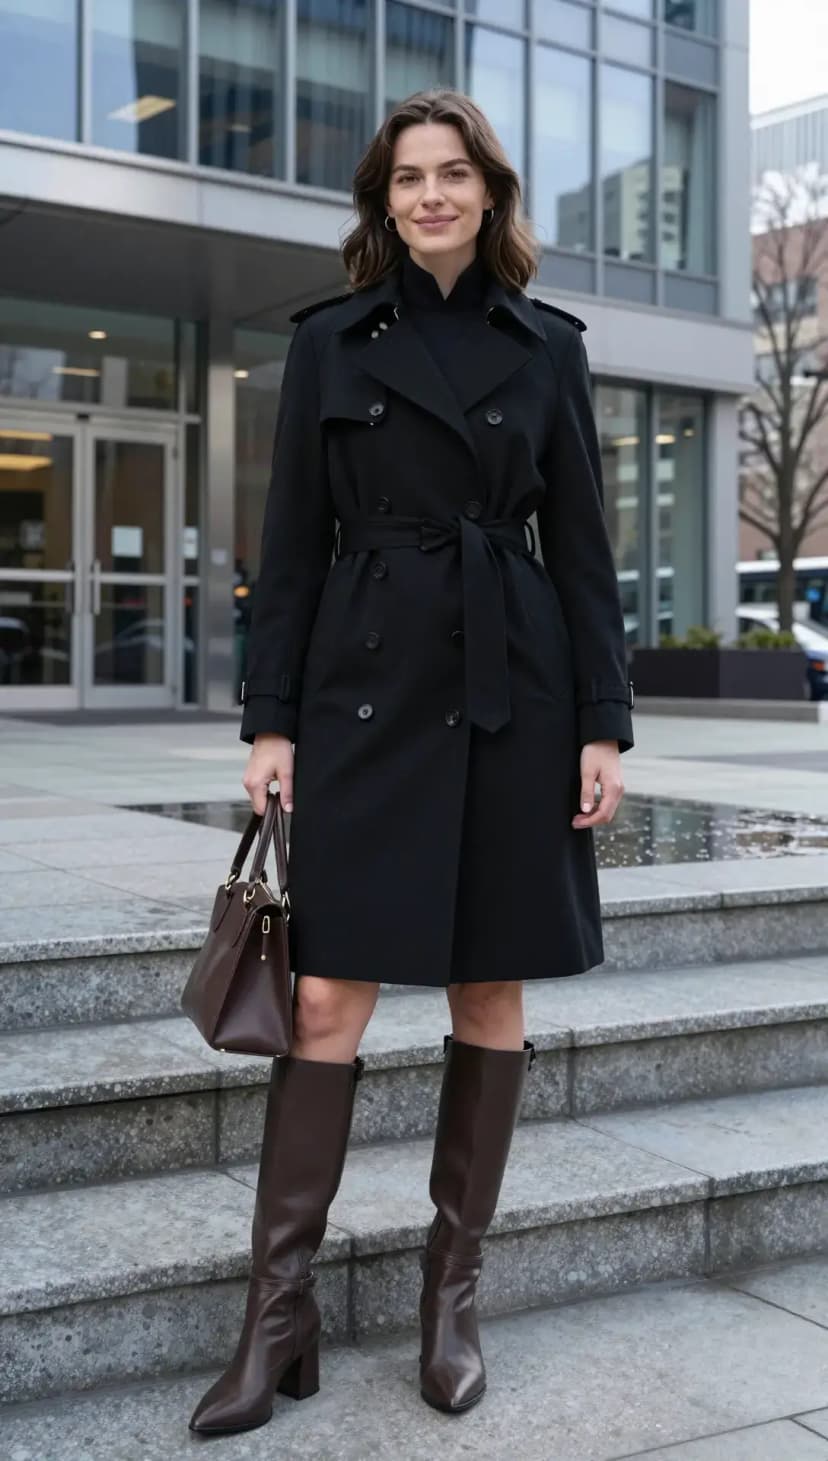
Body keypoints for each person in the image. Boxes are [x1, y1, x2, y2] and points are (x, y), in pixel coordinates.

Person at [189, 87, 634, 1438]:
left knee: (489, 985)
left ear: (492, 194)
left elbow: (586, 549)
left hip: (516, 692)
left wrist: (602, 720)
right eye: (407, 178)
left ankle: (454, 1302)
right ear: (381, 202)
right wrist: (272, 720)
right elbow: (292, 544)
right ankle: (278, 1318)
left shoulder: (548, 348)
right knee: (327, 998)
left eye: (454, 175)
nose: (431, 195)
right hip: (368, 692)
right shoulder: (330, 343)